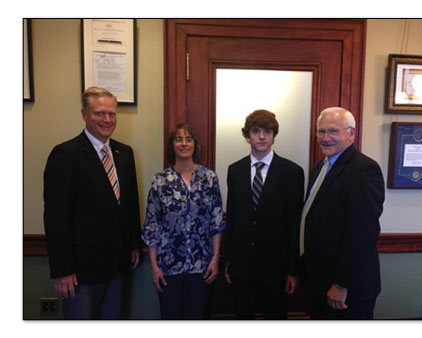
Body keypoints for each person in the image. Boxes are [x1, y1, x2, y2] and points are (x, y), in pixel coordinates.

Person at [43, 86, 141, 319]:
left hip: (118, 265)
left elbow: (129, 204)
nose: (107, 119)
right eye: (99, 113)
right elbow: (56, 218)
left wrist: (134, 244)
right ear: (84, 114)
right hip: (80, 272)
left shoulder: (124, 153)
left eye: (111, 113)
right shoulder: (66, 155)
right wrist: (62, 270)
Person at [300, 107, 385, 319]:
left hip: (347, 289)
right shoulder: (321, 166)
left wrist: (342, 284)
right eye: (321, 132)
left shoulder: (363, 169)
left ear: (351, 133)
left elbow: (362, 233)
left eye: (333, 131)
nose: (325, 138)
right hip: (321, 279)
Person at [224, 109, 304, 319]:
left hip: (276, 268)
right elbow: (232, 218)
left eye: (267, 131)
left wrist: (292, 270)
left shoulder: (292, 172)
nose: (261, 137)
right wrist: (228, 260)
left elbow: (294, 225)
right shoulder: (235, 170)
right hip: (242, 266)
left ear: (274, 135)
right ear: (247, 135)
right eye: (256, 131)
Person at [141, 123, 226, 319]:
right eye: (178, 139)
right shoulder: (160, 181)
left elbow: (216, 222)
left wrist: (215, 258)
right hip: (168, 267)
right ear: (172, 145)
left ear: (195, 145)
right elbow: (152, 225)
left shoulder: (209, 178)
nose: (184, 143)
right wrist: (154, 267)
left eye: (189, 139)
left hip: (202, 266)